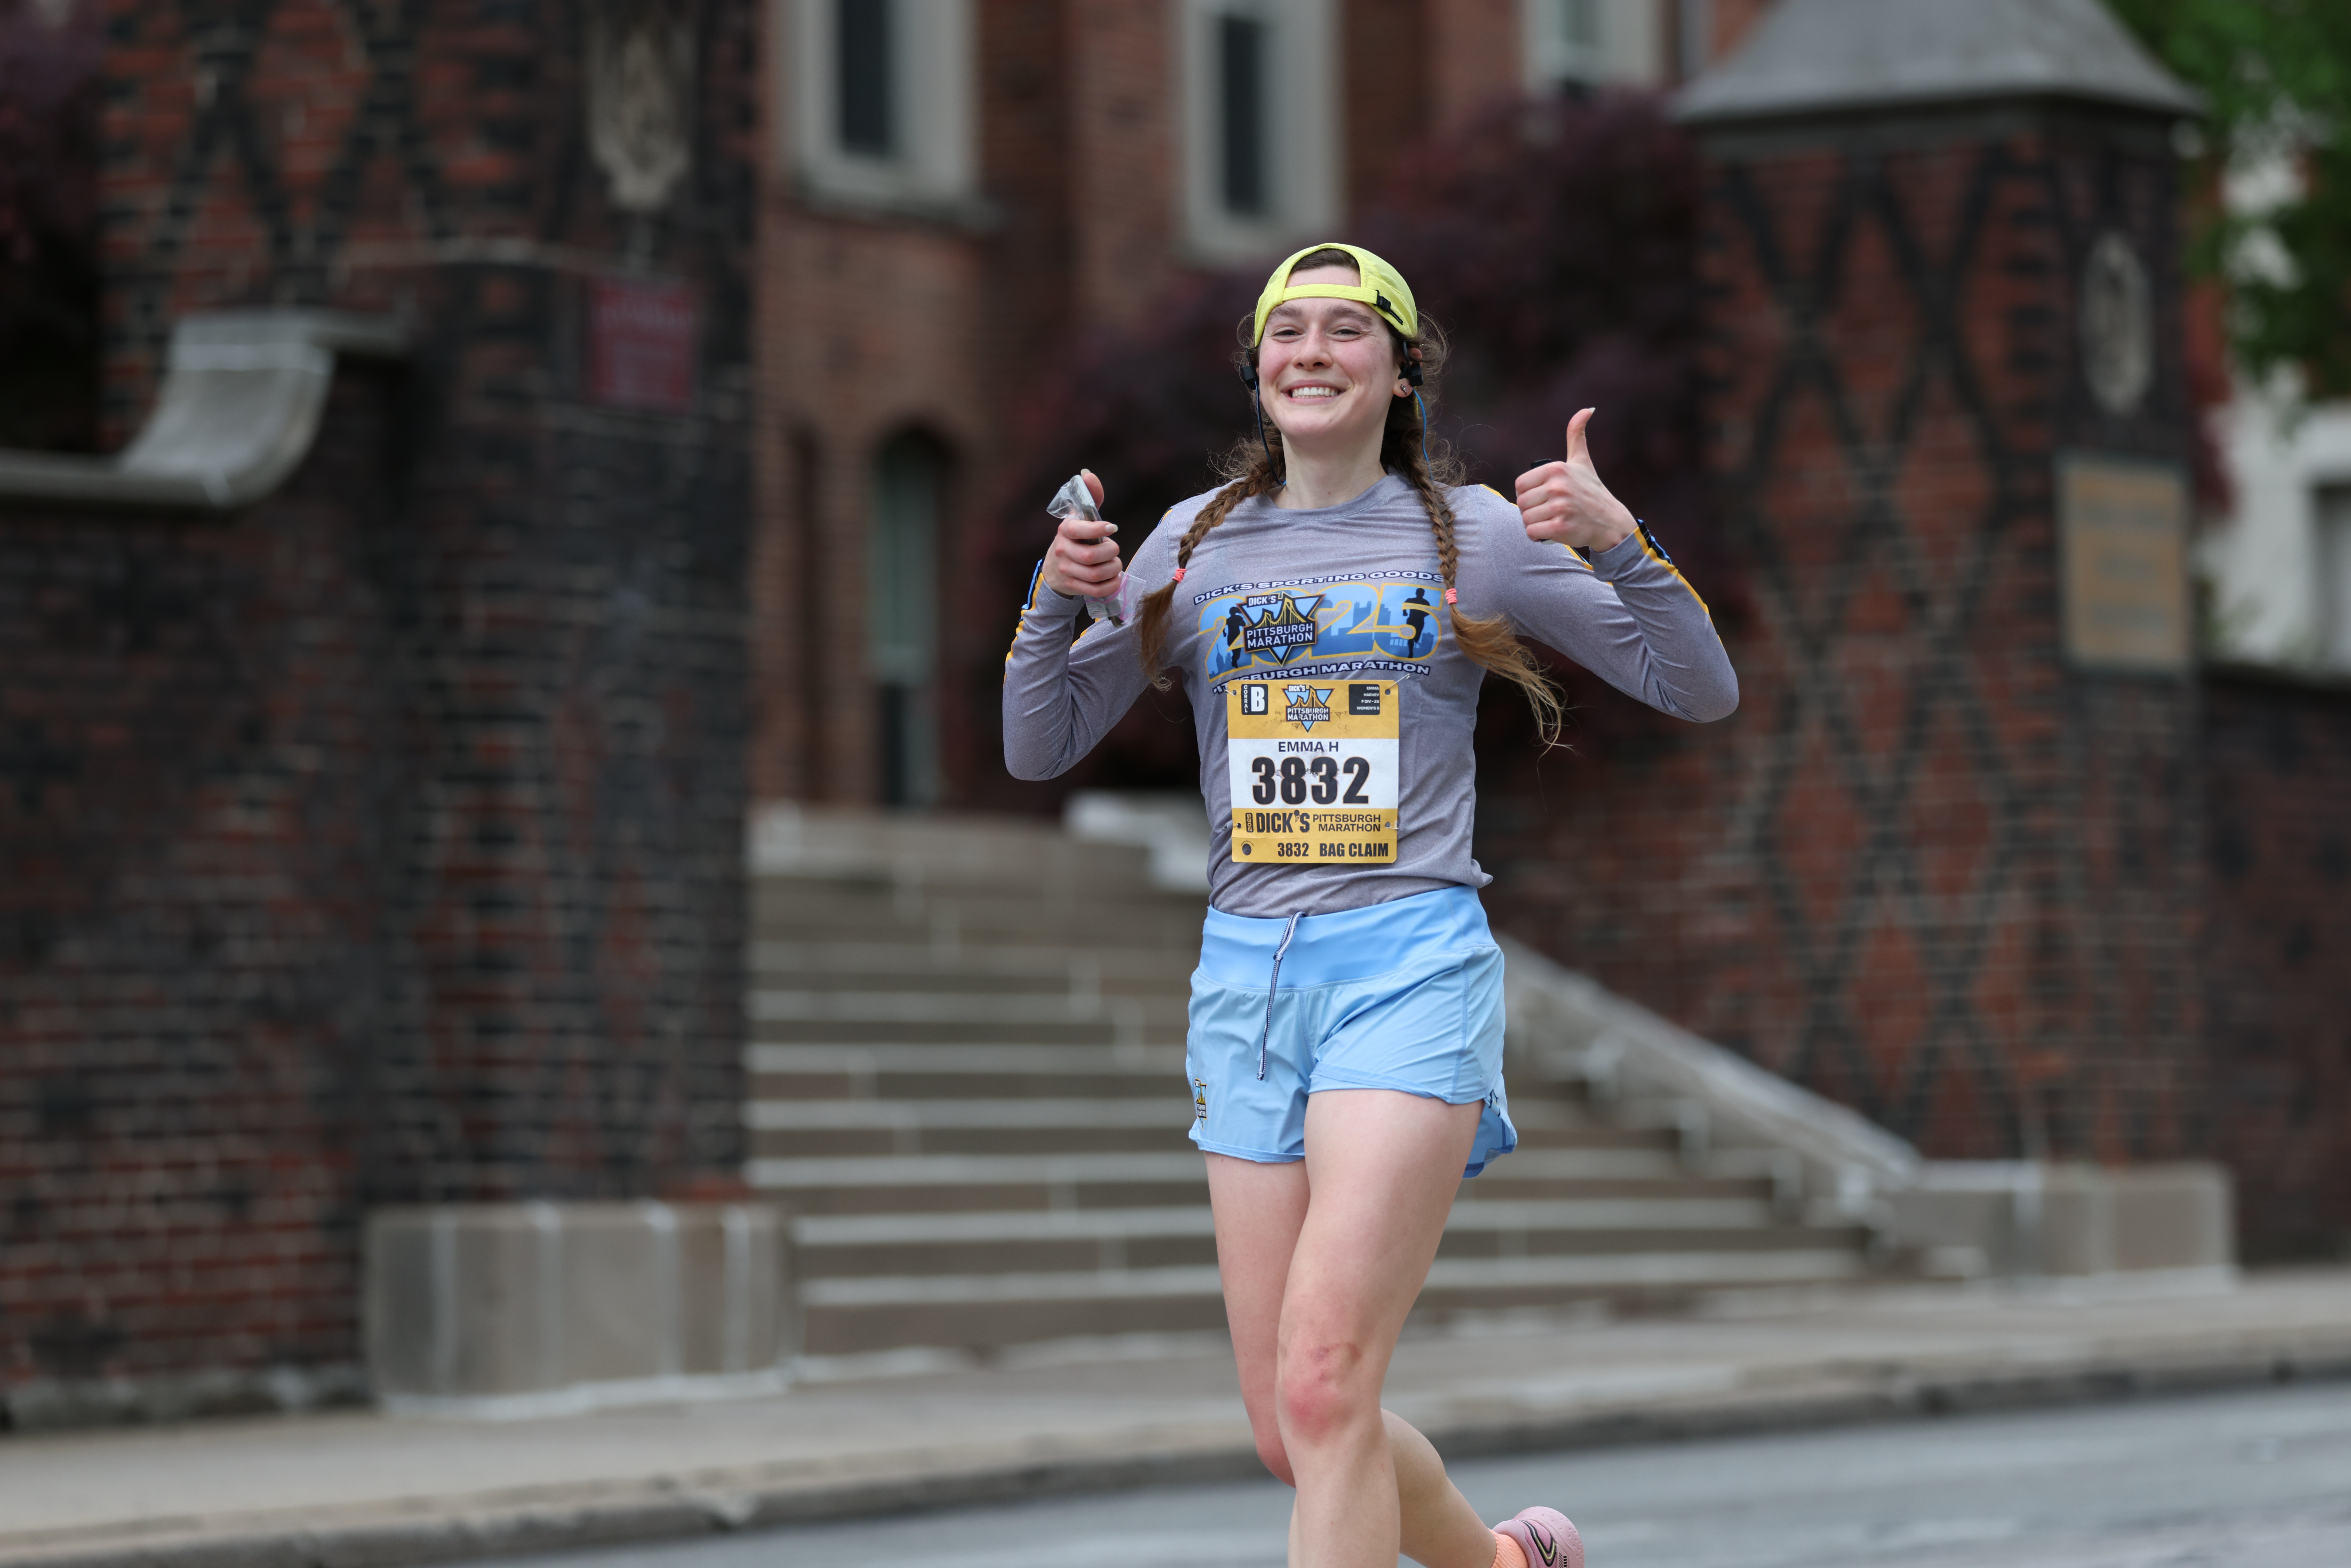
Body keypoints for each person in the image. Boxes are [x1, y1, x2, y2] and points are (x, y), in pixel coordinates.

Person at [1003, 243, 1738, 1568]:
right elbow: (1038, 745)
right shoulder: (1191, 545)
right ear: (1255, 366)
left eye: (1349, 331)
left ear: (1401, 371)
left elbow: (1696, 684)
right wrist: (1050, 607)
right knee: (1294, 1425)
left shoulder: (1475, 538)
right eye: (1288, 331)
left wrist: (1623, 543)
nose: (1313, 353)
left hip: (1406, 963)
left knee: (1328, 1376)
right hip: (1244, 982)